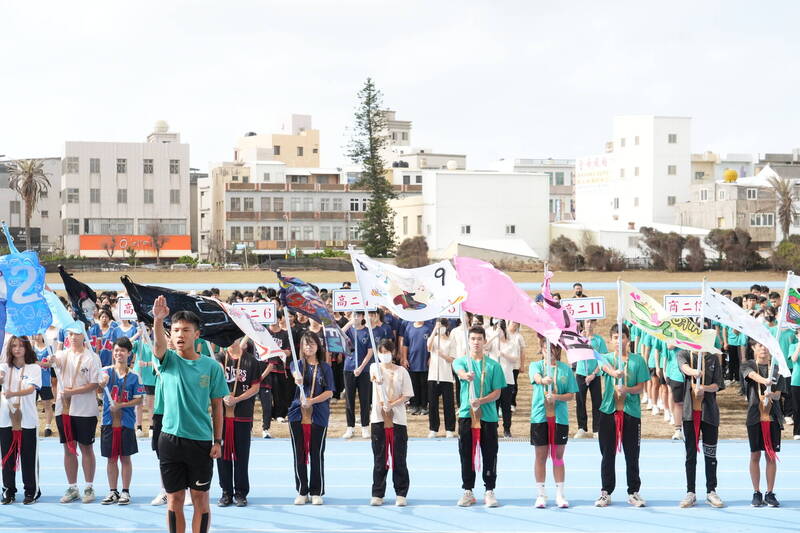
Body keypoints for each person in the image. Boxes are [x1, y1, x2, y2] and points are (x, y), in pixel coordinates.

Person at [151, 296, 228, 533]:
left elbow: (217, 407)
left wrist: (217, 440)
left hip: (201, 442)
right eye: (175, 330)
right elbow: (158, 347)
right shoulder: (167, 361)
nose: (180, 334)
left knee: (200, 499)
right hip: (170, 440)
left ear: (197, 334)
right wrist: (157, 320)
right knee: (174, 500)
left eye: (186, 330)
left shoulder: (212, 367)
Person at [594, 324, 649, 508]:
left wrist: (627, 390)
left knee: (632, 454)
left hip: (630, 413)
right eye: (616, 337)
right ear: (611, 340)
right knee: (607, 454)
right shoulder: (607, 358)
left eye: (622, 337)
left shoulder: (638, 360)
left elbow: (641, 387)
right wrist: (614, 372)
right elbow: (601, 364)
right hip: (608, 412)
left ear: (628, 339)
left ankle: (633, 492)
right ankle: (606, 492)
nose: (619, 341)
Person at [453, 326, 506, 508]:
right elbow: (459, 371)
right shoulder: (461, 362)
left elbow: (498, 393)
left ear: (485, 341)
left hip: (488, 417)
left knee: (490, 453)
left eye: (479, 339)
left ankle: (489, 490)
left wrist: (481, 400)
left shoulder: (494, 366)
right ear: (468, 341)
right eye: (473, 339)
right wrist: (466, 376)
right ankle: (468, 491)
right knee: (466, 453)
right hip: (468, 416)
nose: (476, 342)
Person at [52, 324, 102, 504]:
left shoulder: (92, 357)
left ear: (84, 335)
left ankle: (89, 486)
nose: (73, 337)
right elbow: (53, 362)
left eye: (77, 334)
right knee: (68, 448)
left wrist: (73, 392)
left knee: (86, 448)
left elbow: (94, 384)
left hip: (85, 410)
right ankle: (72, 487)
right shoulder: (62, 355)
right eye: (70, 334)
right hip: (63, 409)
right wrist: (50, 359)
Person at [215, 339, 264, 507]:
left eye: (233, 336)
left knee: (242, 455)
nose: (231, 339)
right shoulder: (218, 359)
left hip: (242, 415)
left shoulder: (251, 361)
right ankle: (226, 492)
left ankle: (241, 493)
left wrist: (237, 398)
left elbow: (255, 387)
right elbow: (212, 385)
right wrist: (224, 395)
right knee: (222, 455)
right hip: (221, 416)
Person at [288, 332, 335, 505]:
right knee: (299, 453)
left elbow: (330, 392)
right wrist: (297, 377)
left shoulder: (325, 368)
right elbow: (295, 373)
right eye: (305, 344)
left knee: (316, 453)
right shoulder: (297, 364)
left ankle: (316, 491)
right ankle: (302, 490)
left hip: (319, 414)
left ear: (318, 346)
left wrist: (312, 401)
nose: (309, 347)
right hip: (297, 414)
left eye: (312, 344)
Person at [530, 343, 578, 508]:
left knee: (557, 457)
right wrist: (543, 380)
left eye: (552, 348)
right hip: (539, 417)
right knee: (541, 456)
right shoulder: (536, 365)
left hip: (560, 419)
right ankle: (541, 494)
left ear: (557, 350)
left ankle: (560, 494)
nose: (548, 351)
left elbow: (571, 395)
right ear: (541, 349)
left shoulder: (565, 369)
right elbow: (535, 377)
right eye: (545, 348)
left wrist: (556, 397)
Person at [98, 338, 144, 505]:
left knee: (125, 458)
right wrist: (101, 383)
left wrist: (122, 405)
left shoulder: (134, 376)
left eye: (122, 351)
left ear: (129, 354)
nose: (119, 354)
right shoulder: (106, 371)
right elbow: (98, 387)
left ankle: (125, 491)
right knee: (111, 458)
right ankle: (112, 491)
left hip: (126, 422)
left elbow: (138, 400)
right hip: (108, 422)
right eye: (116, 350)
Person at [369, 339, 414, 506]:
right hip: (378, 418)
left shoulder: (402, 371)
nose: (384, 355)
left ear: (393, 353)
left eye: (387, 352)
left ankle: (401, 493)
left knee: (399, 457)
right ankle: (377, 493)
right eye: (381, 352)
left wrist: (392, 404)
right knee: (380, 458)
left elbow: (407, 394)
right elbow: (374, 377)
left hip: (398, 419)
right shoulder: (375, 367)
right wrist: (378, 380)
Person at [677, 349, 724, 508]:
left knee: (710, 453)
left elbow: (717, 385)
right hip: (690, 413)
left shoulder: (713, 359)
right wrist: (694, 372)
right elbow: (683, 367)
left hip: (709, 413)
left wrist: (703, 387)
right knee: (690, 453)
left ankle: (711, 490)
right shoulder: (684, 354)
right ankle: (690, 492)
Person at [742, 340, 786, 507]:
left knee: (771, 456)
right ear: (754, 348)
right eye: (760, 346)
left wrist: (770, 395)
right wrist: (765, 381)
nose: (764, 349)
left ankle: (770, 492)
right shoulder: (748, 365)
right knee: (755, 455)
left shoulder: (777, 368)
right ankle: (756, 491)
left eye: (766, 346)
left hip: (772, 417)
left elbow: (778, 394)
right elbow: (751, 376)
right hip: (754, 416)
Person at [0, 337, 42, 504]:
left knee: (28, 456)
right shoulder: (4, 367)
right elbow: (1, 377)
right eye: (14, 346)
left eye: (21, 346)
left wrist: (13, 394)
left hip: (27, 420)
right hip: (5, 419)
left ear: (27, 348)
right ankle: (8, 489)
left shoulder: (34, 368)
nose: (17, 349)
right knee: (7, 456)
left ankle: (31, 490)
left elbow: (31, 389)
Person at [342, 312, 372, 439]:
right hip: (349, 368)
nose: (356, 318)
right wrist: (349, 323)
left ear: (362, 317)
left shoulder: (367, 331)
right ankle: (350, 427)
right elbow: (339, 335)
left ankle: (365, 426)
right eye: (354, 315)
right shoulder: (349, 331)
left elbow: (370, 352)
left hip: (364, 370)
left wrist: (361, 367)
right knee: (349, 399)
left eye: (358, 316)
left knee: (364, 399)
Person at [575, 320, 605, 438]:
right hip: (581, 373)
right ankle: (581, 427)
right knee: (580, 401)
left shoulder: (598, 340)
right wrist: (580, 339)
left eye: (592, 322)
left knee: (597, 401)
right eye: (587, 322)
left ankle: (597, 428)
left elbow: (603, 358)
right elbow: (572, 353)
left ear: (595, 324)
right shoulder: (579, 338)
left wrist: (594, 373)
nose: (589, 324)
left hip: (595, 375)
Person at [426, 319, 456, 438]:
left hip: (446, 377)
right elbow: (428, 347)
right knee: (432, 404)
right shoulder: (433, 339)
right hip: (433, 376)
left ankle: (450, 429)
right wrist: (434, 330)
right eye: (439, 326)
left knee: (448, 404)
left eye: (443, 326)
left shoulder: (450, 341)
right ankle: (433, 428)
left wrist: (442, 355)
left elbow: (453, 359)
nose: (441, 328)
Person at [401, 319, 435, 416]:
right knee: (413, 384)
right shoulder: (409, 327)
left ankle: (424, 406)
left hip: (425, 361)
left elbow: (433, 344)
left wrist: (431, 357)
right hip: (412, 361)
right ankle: (414, 405)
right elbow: (405, 345)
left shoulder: (429, 327)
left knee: (424, 385)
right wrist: (404, 358)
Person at [32, 334, 55, 437]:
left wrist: (37, 363)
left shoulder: (49, 348)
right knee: (32, 404)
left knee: (47, 404)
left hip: (45, 380)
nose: (36, 336)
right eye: (35, 334)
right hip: (33, 380)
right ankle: (33, 425)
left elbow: (50, 364)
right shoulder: (31, 349)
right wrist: (40, 363)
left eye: (38, 334)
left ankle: (48, 426)